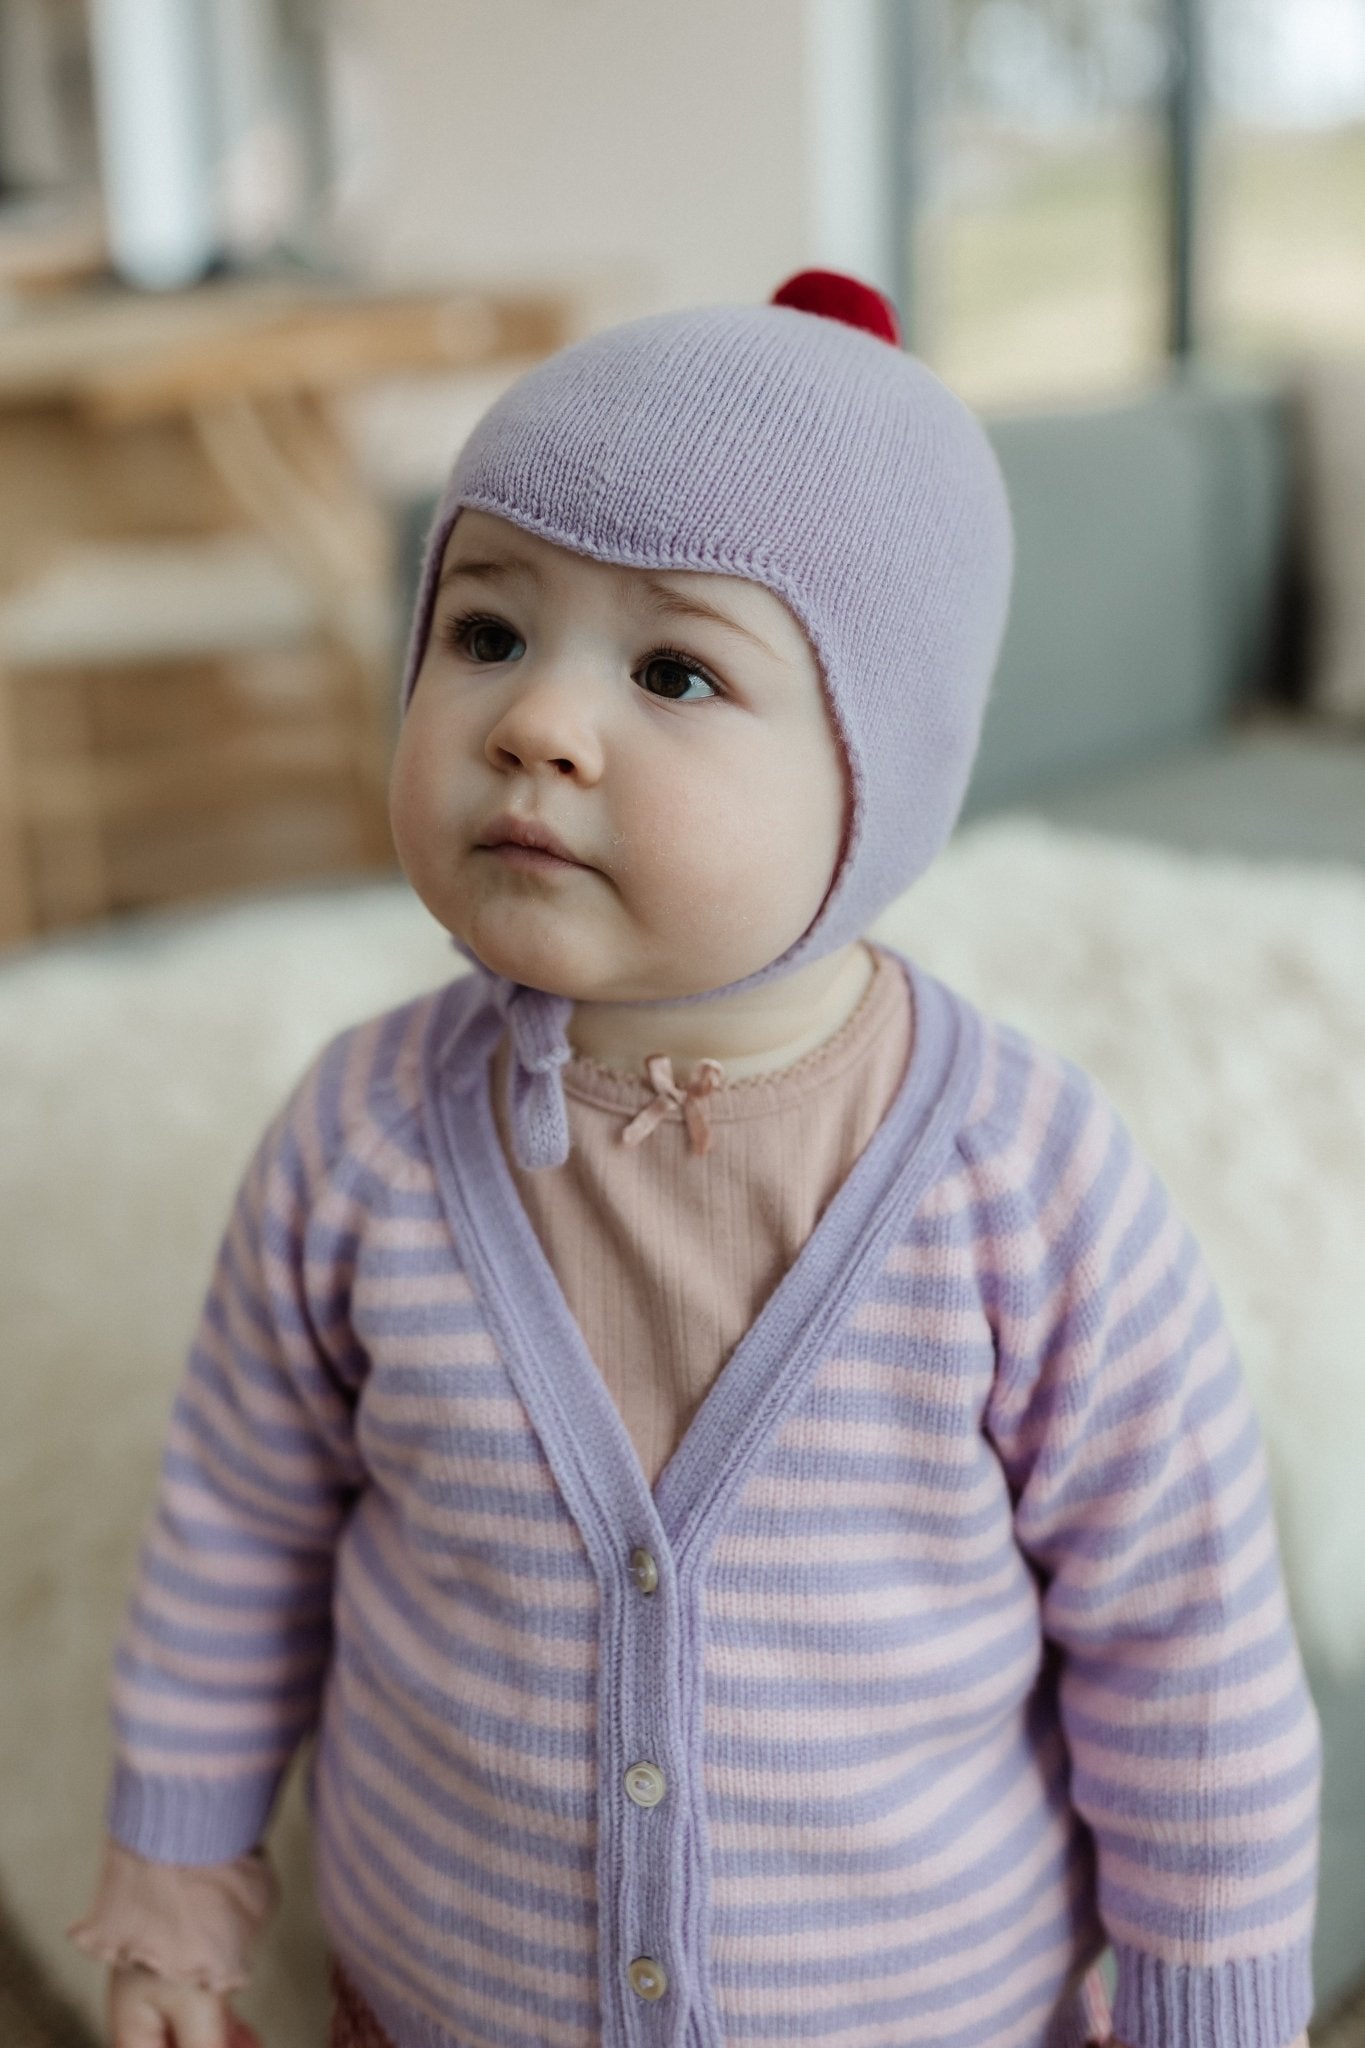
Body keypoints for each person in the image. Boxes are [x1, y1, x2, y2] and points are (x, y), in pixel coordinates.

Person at [67, 270, 1320, 2048]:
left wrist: (1208, 2007)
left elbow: (1184, 1654)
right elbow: (233, 1542)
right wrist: (172, 1901)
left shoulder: (1020, 1188)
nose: (536, 724)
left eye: (673, 669)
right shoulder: (356, 1148)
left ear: (876, 776)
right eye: (486, 633)